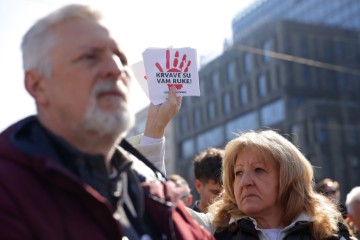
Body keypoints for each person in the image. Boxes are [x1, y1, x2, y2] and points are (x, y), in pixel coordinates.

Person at [0, 4, 187, 239]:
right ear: (37, 85)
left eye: (120, 57)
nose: (116, 69)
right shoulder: (8, 195)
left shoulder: (155, 190)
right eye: (90, 57)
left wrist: (156, 128)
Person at [187, 129, 354, 239]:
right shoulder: (214, 229)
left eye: (258, 170)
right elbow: (163, 211)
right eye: (238, 173)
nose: (245, 182)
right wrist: (159, 132)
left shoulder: (329, 233)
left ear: (288, 177)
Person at [192, 147, 224, 213]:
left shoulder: (239, 220)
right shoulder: (186, 221)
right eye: (216, 192)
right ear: (198, 186)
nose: (222, 198)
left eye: (226, 193)